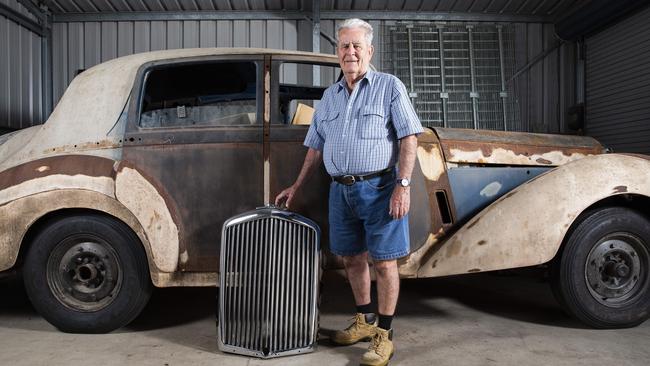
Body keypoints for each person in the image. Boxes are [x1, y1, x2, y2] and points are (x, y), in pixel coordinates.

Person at [275, 18, 423, 366]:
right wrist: (297, 186)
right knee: (352, 259)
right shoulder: (329, 96)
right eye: (344, 46)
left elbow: (409, 137)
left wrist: (403, 185)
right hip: (340, 191)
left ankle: (385, 336)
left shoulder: (389, 87)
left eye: (357, 45)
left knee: (385, 263)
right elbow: (315, 146)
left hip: (381, 188)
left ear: (369, 51)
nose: (351, 52)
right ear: (337, 52)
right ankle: (364, 321)